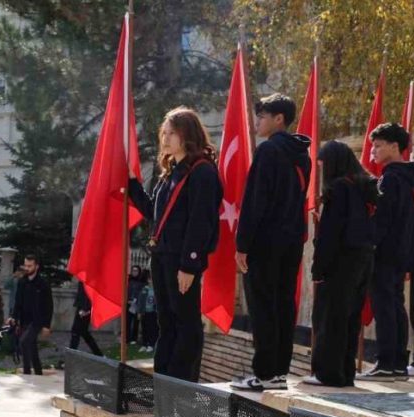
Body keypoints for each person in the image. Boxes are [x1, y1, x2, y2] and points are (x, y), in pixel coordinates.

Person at [129, 106, 223, 382]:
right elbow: (155, 214)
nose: (166, 138)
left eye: (172, 133)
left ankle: (181, 384)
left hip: (181, 260)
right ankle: (164, 380)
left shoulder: (202, 172)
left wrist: (189, 264)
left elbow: (200, 222)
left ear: (188, 135)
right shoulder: (171, 172)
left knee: (186, 322)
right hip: (161, 255)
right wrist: (132, 185)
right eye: (164, 133)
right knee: (166, 322)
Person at [231, 94, 312, 390]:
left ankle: (264, 374)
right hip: (291, 242)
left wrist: (242, 244)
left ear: (279, 119)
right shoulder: (302, 155)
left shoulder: (268, 150)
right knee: (283, 305)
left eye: (262, 116)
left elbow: (256, 200)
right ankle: (278, 372)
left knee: (263, 306)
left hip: (264, 243)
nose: (257, 122)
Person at [304, 141, 379, 386]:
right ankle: (346, 372)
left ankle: (328, 374)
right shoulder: (365, 187)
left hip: (340, 263)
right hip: (363, 260)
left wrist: (318, 268)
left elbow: (332, 234)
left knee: (330, 318)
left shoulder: (339, 188)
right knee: (350, 318)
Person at [356, 123, 414, 380]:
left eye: (379, 145)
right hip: (404, 251)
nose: (373, 151)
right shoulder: (412, 178)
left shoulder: (391, 178)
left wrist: (369, 243)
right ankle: (397, 364)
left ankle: (385, 363)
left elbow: (383, 219)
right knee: (396, 305)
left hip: (386, 252)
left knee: (385, 306)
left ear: (395, 147)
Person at [8, 254, 52, 375]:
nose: (27, 268)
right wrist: (14, 317)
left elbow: (49, 306)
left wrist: (46, 325)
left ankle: (27, 372)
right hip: (24, 320)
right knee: (32, 347)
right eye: (25, 265)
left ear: (36, 266)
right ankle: (38, 372)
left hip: (37, 321)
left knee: (24, 342)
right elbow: (18, 302)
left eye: (30, 266)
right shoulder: (22, 282)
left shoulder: (43, 283)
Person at [69, 280, 103, 356]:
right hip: (83, 307)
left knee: (76, 331)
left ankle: (71, 353)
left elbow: (87, 293)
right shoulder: (85, 278)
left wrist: (85, 309)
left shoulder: (87, 278)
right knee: (83, 332)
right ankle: (98, 354)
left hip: (84, 308)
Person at [136, 273, 158, 351]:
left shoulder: (157, 289)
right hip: (144, 312)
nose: (151, 281)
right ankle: (144, 344)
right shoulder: (144, 289)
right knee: (144, 329)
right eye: (150, 279)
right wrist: (139, 312)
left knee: (152, 328)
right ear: (148, 280)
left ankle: (151, 344)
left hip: (153, 312)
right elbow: (140, 301)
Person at [127, 265, 145, 344]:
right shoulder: (128, 280)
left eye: (136, 271)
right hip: (128, 303)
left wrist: (137, 301)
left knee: (136, 322)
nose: (134, 272)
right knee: (127, 321)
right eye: (133, 270)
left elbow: (141, 293)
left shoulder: (141, 282)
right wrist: (127, 300)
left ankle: (134, 338)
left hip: (137, 304)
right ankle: (127, 338)